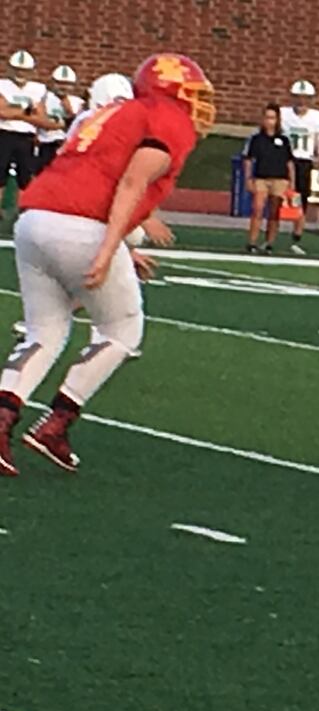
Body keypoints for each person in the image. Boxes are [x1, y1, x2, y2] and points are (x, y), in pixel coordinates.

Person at [0, 53, 212, 478]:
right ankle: (56, 425)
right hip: (84, 226)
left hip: (35, 219)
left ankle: (2, 420)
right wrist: (109, 248)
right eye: (191, 93)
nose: (199, 104)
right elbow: (133, 181)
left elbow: (95, 171)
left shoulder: (113, 113)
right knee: (122, 330)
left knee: (44, 331)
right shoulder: (166, 117)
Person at [279, 79, 319, 255]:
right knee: (279, 197)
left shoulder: (317, 118)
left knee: (301, 200)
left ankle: (296, 236)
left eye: (305, 98)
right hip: (284, 160)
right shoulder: (283, 114)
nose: (301, 102)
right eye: (298, 97)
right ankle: (271, 234)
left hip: (304, 161)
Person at [0, 51, 48, 221]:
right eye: (17, 70)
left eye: (24, 70)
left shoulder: (38, 89)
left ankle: (22, 211)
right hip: (4, 133)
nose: (20, 74)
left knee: (25, 176)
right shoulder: (2, 84)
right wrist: (27, 113)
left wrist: (15, 112)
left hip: (26, 136)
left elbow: (42, 117)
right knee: (0, 173)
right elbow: (2, 112)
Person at [241, 105, 294, 254]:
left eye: (273, 118)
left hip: (280, 179)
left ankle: (269, 242)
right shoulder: (256, 139)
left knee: (274, 211)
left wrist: (291, 182)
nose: (269, 122)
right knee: (257, 209)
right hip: (261, 178)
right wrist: (248, 178)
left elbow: (289, 162)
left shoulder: (284, 140)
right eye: (267, 118)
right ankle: (252, 241)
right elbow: (249, 159)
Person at [33, 66, 82, 173]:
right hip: (46, 142)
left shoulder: (77, 102)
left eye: (67, 84)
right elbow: (41, 120)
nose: (63, 87)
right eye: (60, 83)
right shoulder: (45, 98)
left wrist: (68, 108)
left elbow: (77, 125)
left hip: (64, 144)